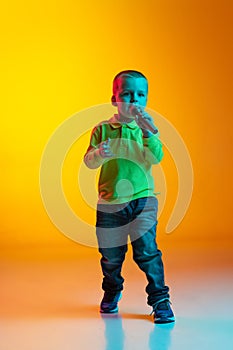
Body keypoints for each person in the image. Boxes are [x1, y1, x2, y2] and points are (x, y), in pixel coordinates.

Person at [84, 70, 175, 324]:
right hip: (110, 204)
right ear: (114, 99)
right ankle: (112, 290)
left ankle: (159, 299)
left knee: (147, 252)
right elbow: (89, 162)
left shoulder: (145, 130)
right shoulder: (102, 130)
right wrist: (99, 153)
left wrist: (148, 133)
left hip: (143, 200)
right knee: (111, 255)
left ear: (146, 100)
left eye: (140, 95)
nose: (133, 100)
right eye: (126, 94)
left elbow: (155, 158)